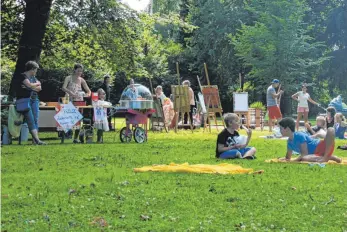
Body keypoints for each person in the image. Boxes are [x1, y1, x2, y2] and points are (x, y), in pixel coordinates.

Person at [11, 61, 45, 145]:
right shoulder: (22, 76)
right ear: (32, 69)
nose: (36, 72)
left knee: (35, 119)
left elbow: (39, 88)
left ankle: (35, 141)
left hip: (35, 100)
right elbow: (30, 85)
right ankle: (37, 140)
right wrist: (34, 85)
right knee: (31, 120)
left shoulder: (34, 78)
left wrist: (31, 86)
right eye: (36, 70)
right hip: (25, 101)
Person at [62, 63, 91, 143]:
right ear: (74, 70)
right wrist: (70, 92)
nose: (79, 73)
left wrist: (87, 94)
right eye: (78, 71)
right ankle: (66, 135)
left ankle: (75, 138)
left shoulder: (82, 80)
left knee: (78, 119)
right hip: (69, 100)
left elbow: (88, 91)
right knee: (68, 119)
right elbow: (63, 88)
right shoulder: (68, 78)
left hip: (79, 101)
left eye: (81, 71)